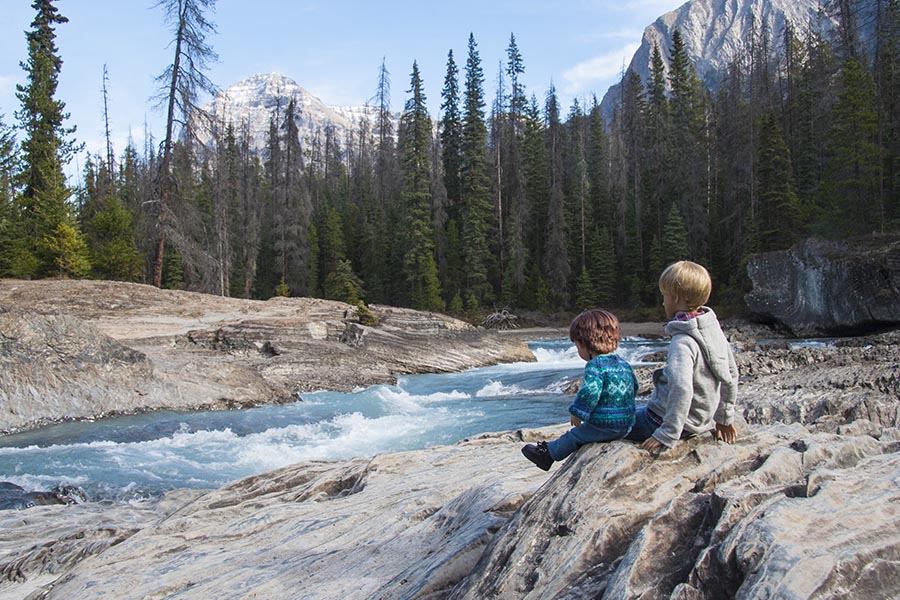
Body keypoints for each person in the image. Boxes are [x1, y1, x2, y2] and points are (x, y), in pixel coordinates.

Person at [626, 261, 738, 453]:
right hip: (699, 420)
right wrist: (724, 419)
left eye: (664, 296)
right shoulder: (714, 331)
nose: (662, 302)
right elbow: (731, 374)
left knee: (609, 423)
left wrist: (667, 433)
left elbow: (681, 389)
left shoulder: (683, 341)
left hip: (663, 421)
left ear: (676, 298)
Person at [522, 309, 637, 471]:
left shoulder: (596, 365)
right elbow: (635, 387)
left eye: (577, 346)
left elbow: (590, 392)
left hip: (605, 425)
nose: (578, 351)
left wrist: (577, 412)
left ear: (587, 344)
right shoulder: (623, 363)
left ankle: (547, 455)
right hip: (626, 425)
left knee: (574, 435)